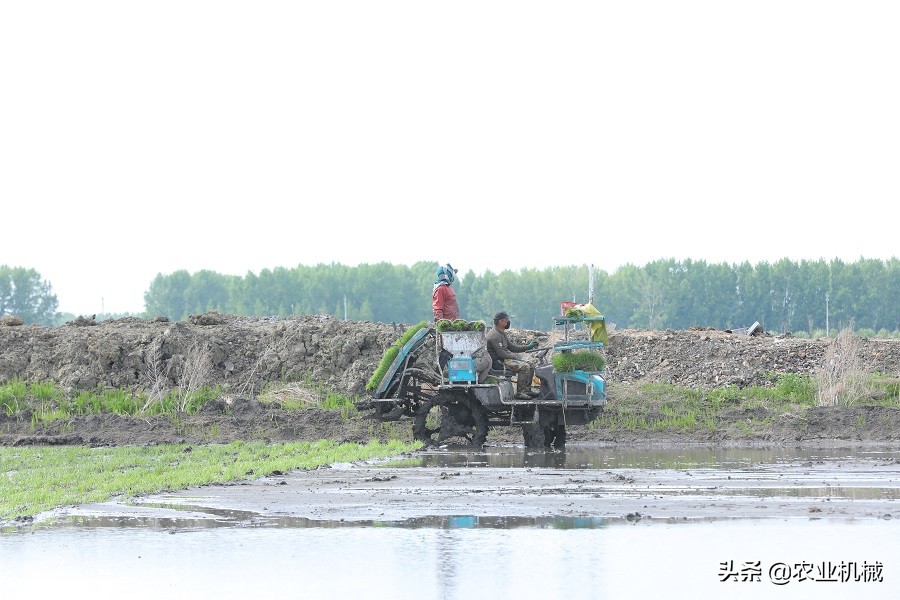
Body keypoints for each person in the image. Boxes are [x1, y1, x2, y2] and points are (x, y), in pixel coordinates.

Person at [486, 311, 538, 399]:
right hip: (498, 362)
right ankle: (520, 393)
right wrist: (515, 357)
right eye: (506, 319)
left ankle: (527, 390)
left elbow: (512, 347)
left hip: (505, 359)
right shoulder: (495, 335)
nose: (508, 321)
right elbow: (501, 353)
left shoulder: (501, 333)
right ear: (501, 322)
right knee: (524, 367)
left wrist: (528, 347)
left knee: (531, 365)